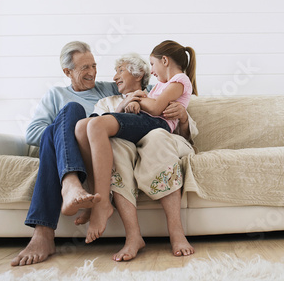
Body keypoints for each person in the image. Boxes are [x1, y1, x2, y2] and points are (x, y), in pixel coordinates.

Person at [11, 41, 195, 266]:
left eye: (94, 66)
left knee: (83, 122)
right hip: (71, 147)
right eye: (84, 68)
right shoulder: (56, 95)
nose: (93, 73)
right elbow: (32, 133)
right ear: (67, 72)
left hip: (102, 140)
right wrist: (64, 136)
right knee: (66, 115)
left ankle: (50, 225)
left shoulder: (116, 89)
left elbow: (149, 99)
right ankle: (68, 188)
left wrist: (177, 113)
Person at [74, 40, 197, 246]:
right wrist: (124, 105)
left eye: (120, 70)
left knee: (101, 127)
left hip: (155, 131)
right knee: (83, 127)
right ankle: (131, 235)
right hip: (125, 135)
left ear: (138, 74)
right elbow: (94, 125)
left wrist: (140, 101)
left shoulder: (160, 90)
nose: (114, 77)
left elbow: (170, 120)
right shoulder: (109, 101)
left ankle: (102, 203)